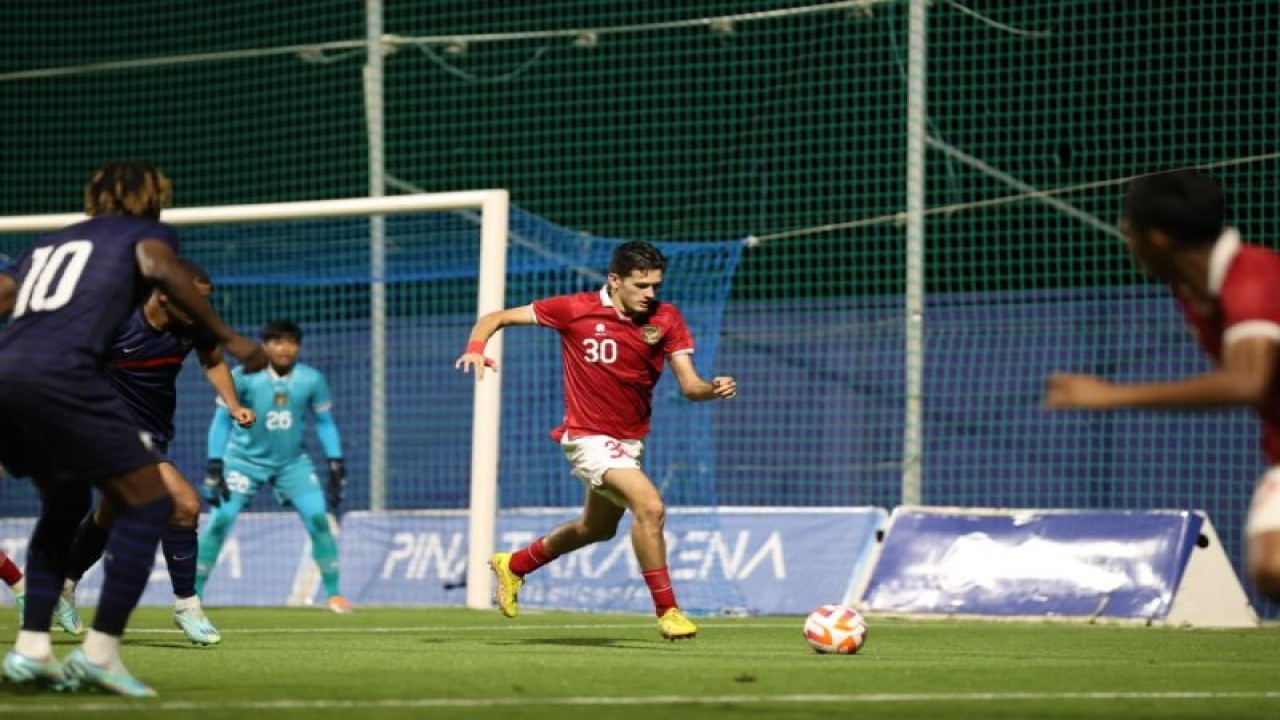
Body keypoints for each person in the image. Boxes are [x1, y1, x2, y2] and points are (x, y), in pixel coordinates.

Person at [0, 162, 266, 696]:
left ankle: (32, 649)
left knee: (65, 503)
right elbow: (160, 267)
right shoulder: (143, 235)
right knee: (153, 504)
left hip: (11, 373)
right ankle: (100, 654)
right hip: (65, 377)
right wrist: (230, 336)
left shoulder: (50, 245)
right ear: (152, 195)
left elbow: (6, 295)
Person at [455, 240, 737, 640]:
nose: (650, 294)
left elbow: (690, 386)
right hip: (586, 436)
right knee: (651, 508)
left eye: (655, 285)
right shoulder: (573, 309)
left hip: (629, 441)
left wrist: (713, 387)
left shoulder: (668, 318)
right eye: (641, 286)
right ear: (615, 280)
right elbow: (495, 316)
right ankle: (668, 610)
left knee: (596, 528)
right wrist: (476, 347)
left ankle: (514, 565)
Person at [1044, 168, 1280, 604]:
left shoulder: (1252, 277)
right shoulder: (1191, 290)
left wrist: (1111, 395)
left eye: (1128, 230)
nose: (1126, 240)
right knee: (1271, 570)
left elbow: (1248, 381)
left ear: (1157, 238)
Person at [57, 258, 257, 647]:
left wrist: (233, 405)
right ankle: (187, 604)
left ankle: (63, 583)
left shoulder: (195, 326)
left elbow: (213, 362)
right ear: (164, 296)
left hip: (152, 433)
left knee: (109, 512)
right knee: (183, 503)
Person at [196, 319, 351, 613]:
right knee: (219, 522)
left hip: (292, 464)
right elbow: (220, 421)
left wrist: (336, 463)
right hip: (243, 462)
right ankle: (192, 596)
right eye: (278, 342)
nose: (285, 348)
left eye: (291, 342)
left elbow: (324, 422)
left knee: (319, 519)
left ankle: (334, 594)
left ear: (299, 347)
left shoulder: (311, 379)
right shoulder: (242, 377)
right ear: (265, 346)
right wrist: (215, 464)